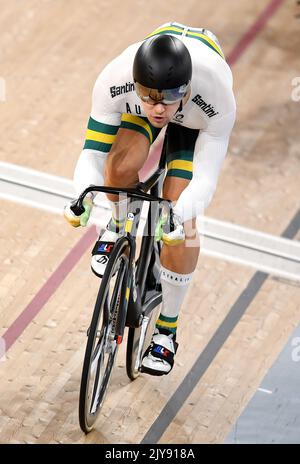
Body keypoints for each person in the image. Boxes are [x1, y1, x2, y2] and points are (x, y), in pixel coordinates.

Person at [64, 22, 236, 376]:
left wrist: (176, 215)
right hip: (164, 100)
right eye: (149, 96)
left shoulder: (215, 95)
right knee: (120, 164)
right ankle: (116, 225)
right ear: (136, 83)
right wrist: (81, 195)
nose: (158, 108)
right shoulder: (115, 78)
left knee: (180, 218)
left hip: (195, 124)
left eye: (169, 96)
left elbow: (205, 180)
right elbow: (92, 154)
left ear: (185, 90)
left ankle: (167, 331)